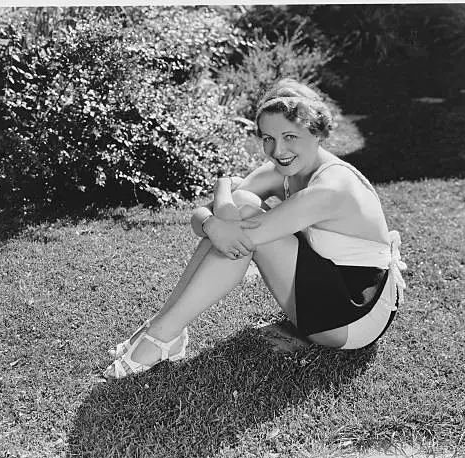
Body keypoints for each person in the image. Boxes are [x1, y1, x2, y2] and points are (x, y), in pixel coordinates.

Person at [104, 78, 406, 380]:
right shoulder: (285, 171)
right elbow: (206, 218)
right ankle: (162, 329)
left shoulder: (332, 187)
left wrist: (219, 212)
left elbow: (238, 234)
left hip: (355, 317)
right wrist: (219, 202)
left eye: (290, 136)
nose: (278, 149)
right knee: (240, 211)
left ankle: (160, 336)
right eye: (268, 138)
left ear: (315, 133)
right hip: (323, 296)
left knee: (242, 224)